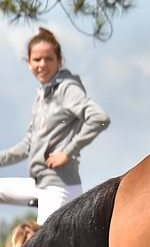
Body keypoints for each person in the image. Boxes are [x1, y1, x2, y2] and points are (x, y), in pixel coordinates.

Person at [0, 28, 111, 224]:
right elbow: (29, 144)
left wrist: (67, 152)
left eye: (48, 59)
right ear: (28, 63)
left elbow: (99, 118)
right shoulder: (44, 96)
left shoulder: (67, 89)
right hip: (39, 184)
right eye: (37, 59)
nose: (42, 64)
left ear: (59, 60)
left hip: (59, 187)